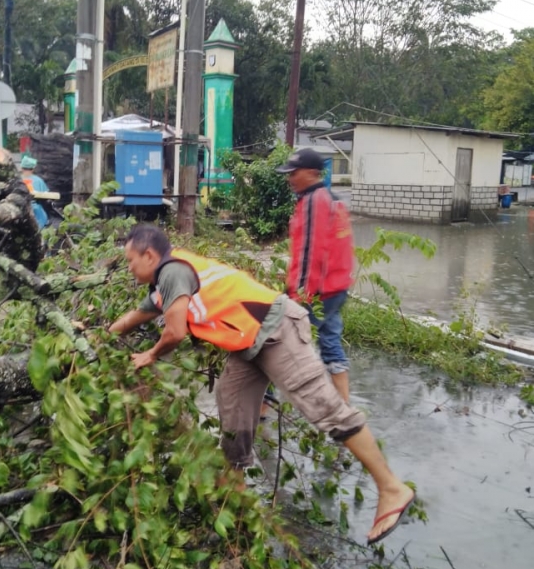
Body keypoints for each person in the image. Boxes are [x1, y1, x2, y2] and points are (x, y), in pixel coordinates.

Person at [109, 224, 415, 545]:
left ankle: (392, 489)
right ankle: (237, 507)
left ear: (149, 255)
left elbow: (174, 333)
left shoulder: (172, 272)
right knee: (232, 411)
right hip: (248, 344)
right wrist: (100, 334)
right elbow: (133, 318)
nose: (129, 268)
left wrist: (150, 355)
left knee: (325, 408)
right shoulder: (165, 284)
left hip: (277, 330)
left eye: (131, 261)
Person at [276, 148, 354, 402]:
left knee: (276, 344)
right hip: (336, 288)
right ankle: (345, 409)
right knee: (331, 344)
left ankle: (263, 411)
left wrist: (296, 296)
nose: (290, 179)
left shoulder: (313, 201)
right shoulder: (333, 199)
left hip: (316, 293)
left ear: (311, 173)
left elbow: (311, 252)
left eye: (294, 173)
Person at [20, 154, 49, 229]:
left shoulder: (17, 180)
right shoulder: (38, 180)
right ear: (33, 169)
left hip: (19, 209)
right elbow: (46, 194)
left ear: (21, 168)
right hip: (36, 210)